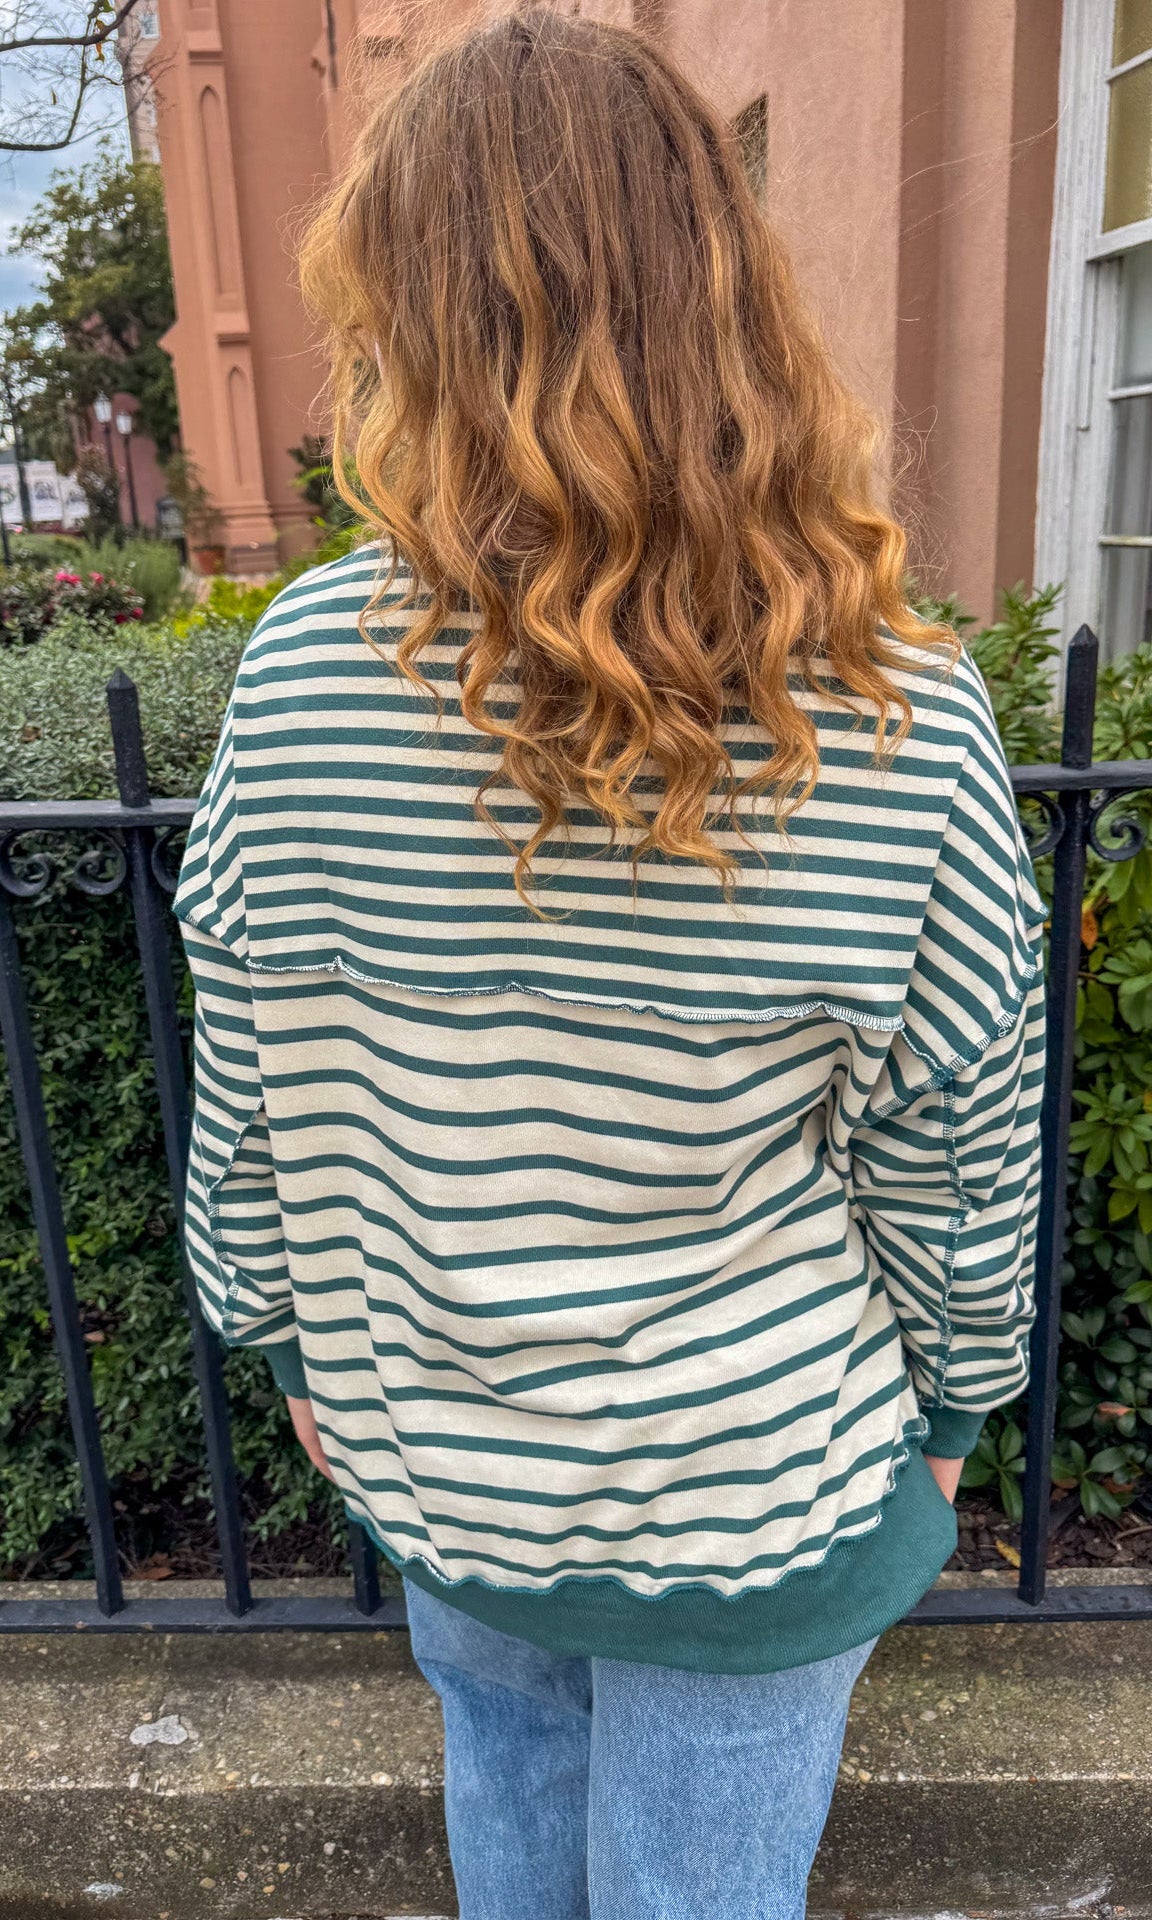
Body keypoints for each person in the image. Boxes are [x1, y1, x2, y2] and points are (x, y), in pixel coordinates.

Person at [174, 9, 1046, 1915]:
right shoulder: (896, 714)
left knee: (510, 1824)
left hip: (439, 1457)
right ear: (725, 293)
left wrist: (282, 1329)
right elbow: (958, 1148)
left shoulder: (306, 672)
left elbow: (244, 1069)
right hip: (764, 1484)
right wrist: (958, 1404)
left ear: (403, 313)